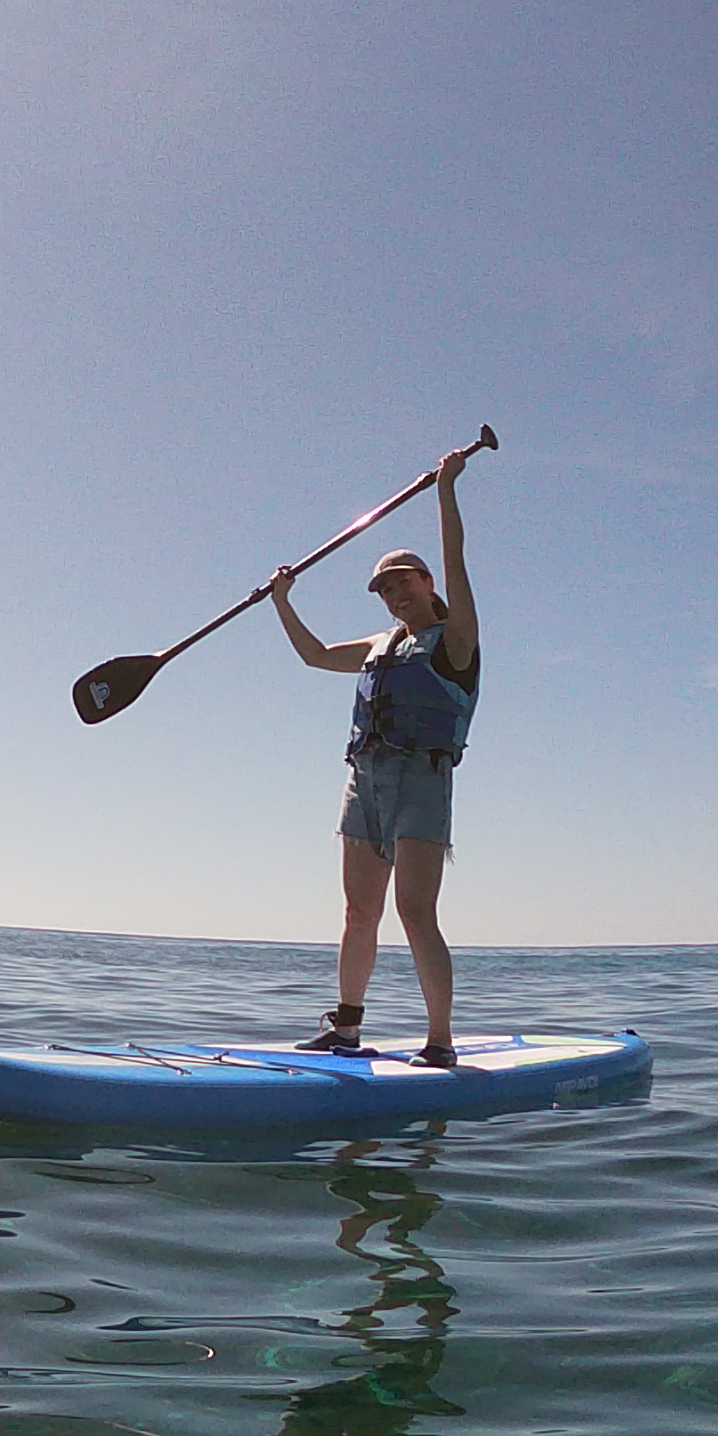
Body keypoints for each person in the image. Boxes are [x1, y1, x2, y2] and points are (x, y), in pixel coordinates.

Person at [269, 441, 479, 1067]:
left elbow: (457, 560)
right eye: (384, 590)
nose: (394, 596)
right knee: (360, 909)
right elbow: (313, 656)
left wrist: (446, 491)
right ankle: (347, 1026)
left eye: (402, 584)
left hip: (421, 783)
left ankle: (438, 1041)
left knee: (416, 911)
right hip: (364, 783)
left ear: (425, 583)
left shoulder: (455, 640)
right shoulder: (378, 645)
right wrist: (283, 601)